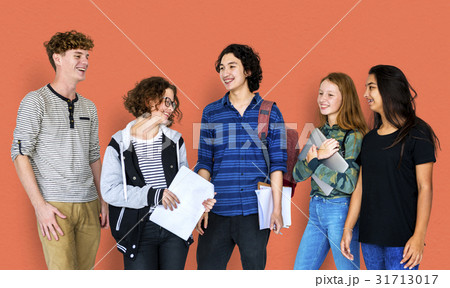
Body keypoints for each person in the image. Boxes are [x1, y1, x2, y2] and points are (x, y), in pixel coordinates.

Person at [11, 30, 109, 269]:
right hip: (55, 206)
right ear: (58, 58)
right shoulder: (35, 101)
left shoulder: (89, 107)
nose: (85, 62)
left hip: (89, 205)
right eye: (77, 56)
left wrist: (103, 201)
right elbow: (20, 154)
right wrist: (40, 206)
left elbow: (93, 156)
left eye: (87, 56)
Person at [100, 76, 216, 270]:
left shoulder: (175, 141)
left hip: (174, 228)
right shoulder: (119, 143)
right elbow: (110, 191)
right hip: (139, 231)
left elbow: (183, 186)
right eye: (167, 102)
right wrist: (153, 195)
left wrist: (200, 202)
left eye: (173, 104)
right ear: (150, 100)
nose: (171, 109)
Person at [195, 44, 287, 270]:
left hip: (254, 213)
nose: (225, 73)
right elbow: (205, 162)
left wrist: (276, 209)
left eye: (232, 66)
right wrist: (199, 208)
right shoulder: (211, 112)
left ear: (247, 71)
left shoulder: (270, 111)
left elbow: (277, 164)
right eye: (221, 68)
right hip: (217, 210)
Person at [340, 65, 439, 270]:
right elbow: (360, 187)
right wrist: (348, 228)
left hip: (402, 241)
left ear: (388, 89)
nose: (365, 94)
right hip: (370, 239)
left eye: (371, 87)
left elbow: (425, 187)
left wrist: (419, 236)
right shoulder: (369, 140)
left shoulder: (418, 133)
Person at [292, 73, 368, 270]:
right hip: (315, 210)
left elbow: (350, 184)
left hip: (339, 210)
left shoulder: (354, 135)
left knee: (347, 275)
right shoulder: (318, 133)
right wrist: (320, 155)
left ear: (345, 98)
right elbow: (297, 174)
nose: (322, 99)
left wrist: (317, 162)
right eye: (320, 93)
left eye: (330, 95)